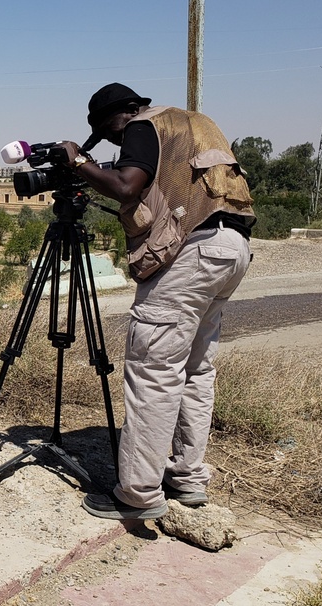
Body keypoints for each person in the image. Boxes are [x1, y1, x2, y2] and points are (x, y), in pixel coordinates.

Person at [56, 83, 255, 521]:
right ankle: (187, 477)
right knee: (195, 370)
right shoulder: (196, 123)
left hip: (193, 253)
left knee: (154, 371)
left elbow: (128, 187)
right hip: (231, 246)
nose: (112, 139)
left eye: (107, 129)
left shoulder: (144, 124)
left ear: (122, 112)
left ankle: (139, 494)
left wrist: (81, 159)